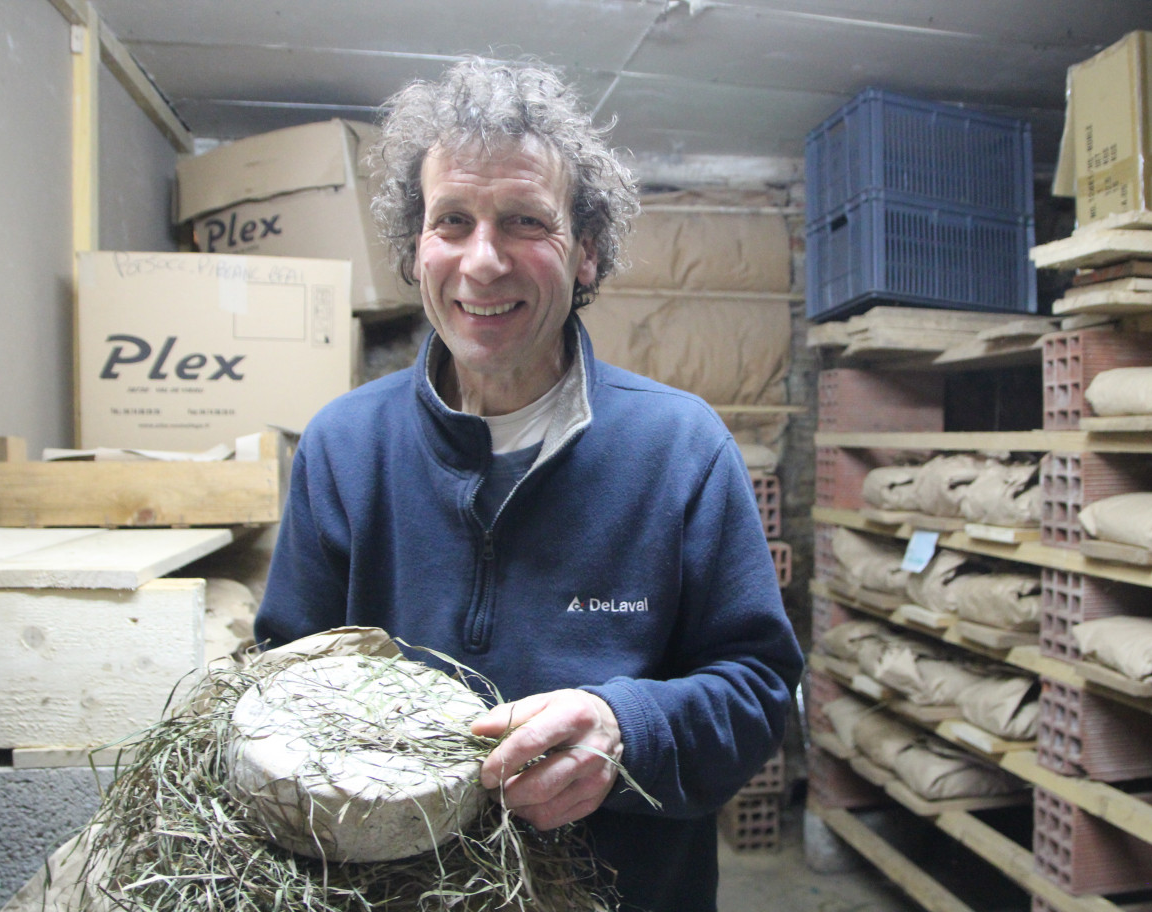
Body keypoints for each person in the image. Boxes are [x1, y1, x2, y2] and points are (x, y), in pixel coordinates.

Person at [254, 56, 804, 912]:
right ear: (413, 248)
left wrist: (629, 731)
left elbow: (759, 689)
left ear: (586, 253)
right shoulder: (343, 447)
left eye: (524, 221)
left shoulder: (678, 446)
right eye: (453, 221)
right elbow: (282, 684)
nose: (483, 262)